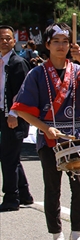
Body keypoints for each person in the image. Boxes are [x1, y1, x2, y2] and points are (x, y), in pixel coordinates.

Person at [13, 23, 80, 240]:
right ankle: (57, 236)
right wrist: (44, 128)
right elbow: (21, 108)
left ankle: (77, 236)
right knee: (53, 188)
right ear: (47, 45)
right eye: (56, 41)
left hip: (75, 135)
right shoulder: (36, 74)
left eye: (65, 41)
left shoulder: (78, 70)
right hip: (50, 135)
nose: (61, 46)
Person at [0, 25, 33, 212]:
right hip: (1, 112)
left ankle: (11, 198)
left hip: (15, 114)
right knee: (8, 155)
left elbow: (23, 92)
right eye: (1, 38)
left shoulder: (17, 63)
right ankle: (24, 193)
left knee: (9, 157)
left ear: (14, 41)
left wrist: (14, 114)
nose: (5, 41)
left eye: (8, 38)